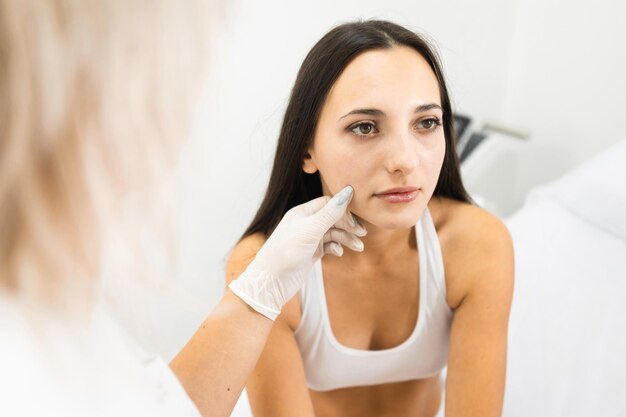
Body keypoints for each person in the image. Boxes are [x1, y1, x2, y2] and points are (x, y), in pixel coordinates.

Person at [0, 2, 363, 417]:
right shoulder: (19, 369)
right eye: (363, 127)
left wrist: (262, 288)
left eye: (427, 122)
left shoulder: (54, 316)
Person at [177, 20, 515, 417]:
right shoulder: (263, 268)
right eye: (365, 127)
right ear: (307, 150)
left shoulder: (477, 246)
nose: (405, 161)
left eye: (426, 122)